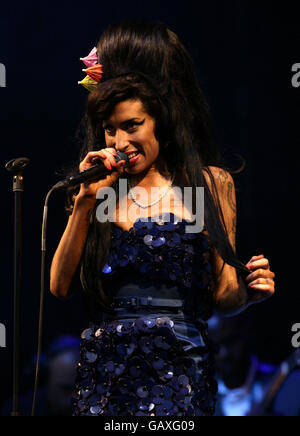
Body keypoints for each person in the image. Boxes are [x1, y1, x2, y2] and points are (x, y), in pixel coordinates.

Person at [50, 20, 275, 417]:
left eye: (132, 126)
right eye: (110, 130)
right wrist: (85, 202)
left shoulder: (210, 183)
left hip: (181, 373)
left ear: (160, 121)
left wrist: (249, 292)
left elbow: (225, 295)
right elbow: (59, 286)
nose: (120, 143)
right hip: (107, 373)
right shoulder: (97, 189)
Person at [208, 315, 300, 416]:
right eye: (216, 346)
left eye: (230, 341)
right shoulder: (204, 395)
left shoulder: (290, 381)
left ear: (246, 335)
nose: (224, 352)